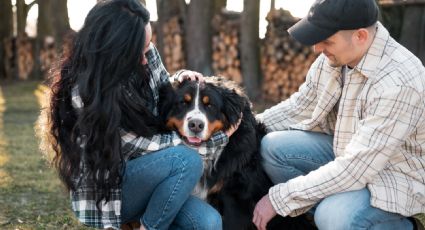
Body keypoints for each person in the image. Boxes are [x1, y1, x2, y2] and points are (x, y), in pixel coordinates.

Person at [43, 0, 238, 229]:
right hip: (112, 195)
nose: (147, 59)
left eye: (148, 47)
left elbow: (163, 89)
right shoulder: (84, 93)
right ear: (115, 49)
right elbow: (142, 145)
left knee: (208, 222)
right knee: (186, 160)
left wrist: (181, 79)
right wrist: (219, 138)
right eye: (139, 52)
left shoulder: (144, 53)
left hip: (155, 175)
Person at [253, 0, 425, 229]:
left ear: (360, 36)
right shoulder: (335, 59)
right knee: (272, 148)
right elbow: (298, 107)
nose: (316, 48)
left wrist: (280, 198)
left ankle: (396, 223)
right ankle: (334, 212)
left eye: (326, 40)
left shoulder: (398, 82)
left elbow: (355, 169)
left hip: (393, 179)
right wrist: (244, 125)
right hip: (347, 154)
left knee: (333, 215)